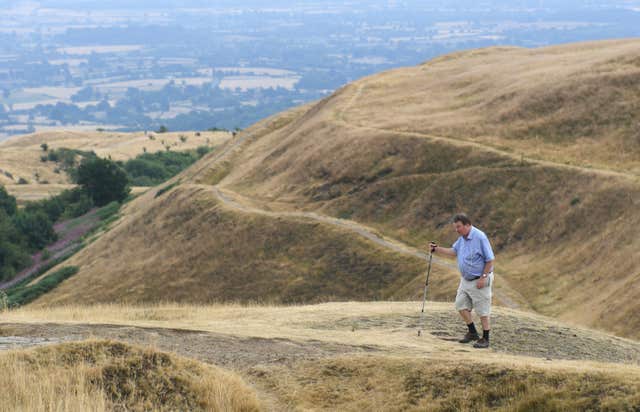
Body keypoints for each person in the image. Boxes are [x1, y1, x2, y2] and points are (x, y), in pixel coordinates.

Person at [429, 213, 495, 349]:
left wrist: (483, 277)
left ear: (467, 225)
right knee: (460, 305)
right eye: (455, 228)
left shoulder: (480, 237)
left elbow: (490, 260)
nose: (457, 230)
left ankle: (485, 339)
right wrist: (436, 249)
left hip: (479, 279)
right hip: (466, 280)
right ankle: (472, 333)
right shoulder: (462, 238)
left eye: (459, 227)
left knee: (482, 311)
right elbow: (454, 251)